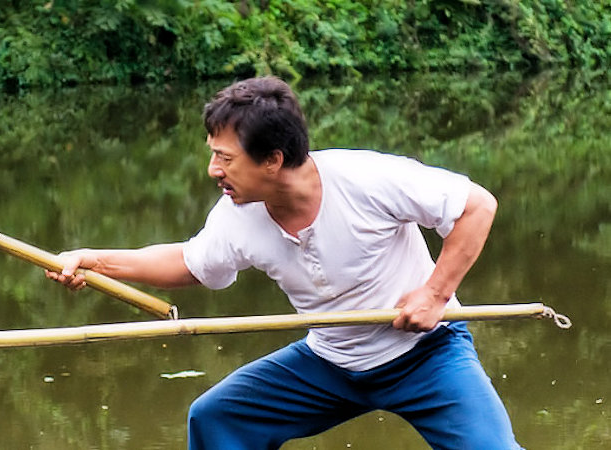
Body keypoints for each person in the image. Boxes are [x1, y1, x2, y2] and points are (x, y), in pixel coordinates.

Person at [47, 76, 519, 449]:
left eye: (225, 158)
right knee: (215, 419)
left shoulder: (366, 179)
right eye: (213, 156)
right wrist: (94, 261)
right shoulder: (237, 215)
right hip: (330, 363)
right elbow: (191, 264)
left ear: (272, 160)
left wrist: (435, 293)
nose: (214, 170)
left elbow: (477, 207)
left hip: (426, 355)